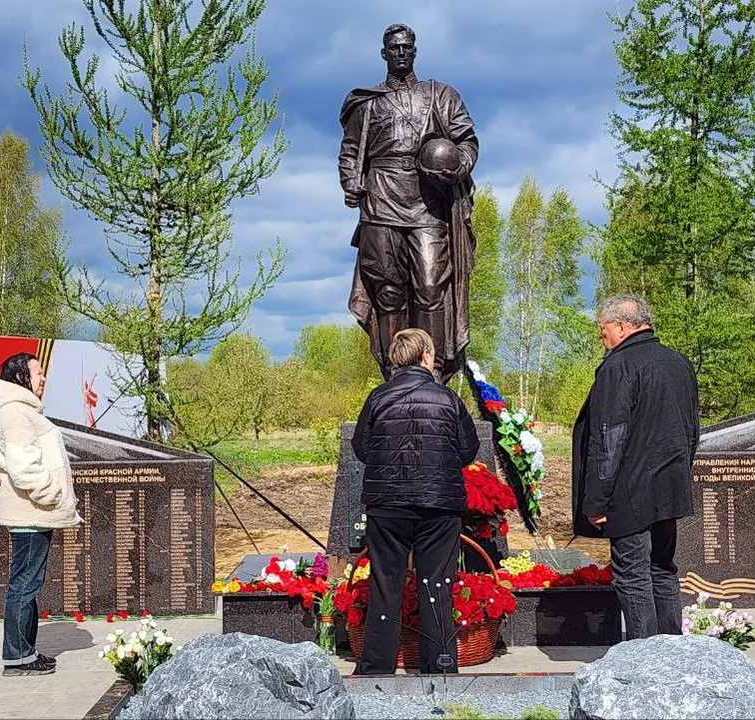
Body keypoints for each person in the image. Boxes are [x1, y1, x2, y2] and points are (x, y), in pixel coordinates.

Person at [339, 23, 479, 384]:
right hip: (381, 199)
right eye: (394, 48)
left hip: (428, 203)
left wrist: (459, 166)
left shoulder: (441, 96)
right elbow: (351, 150)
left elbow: (467, 140)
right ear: (384, 53)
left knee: (432, 285)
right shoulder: (367, 102)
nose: (401, 53)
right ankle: (396, 373)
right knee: (388, 292)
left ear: (414, 52)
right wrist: (349, 183)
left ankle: (432, 373)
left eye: (407, 48)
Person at [352, 328, 480, 674]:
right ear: (426, 356)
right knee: (436, 583)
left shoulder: (378, 397)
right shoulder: (448, 399)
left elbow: (362, 448)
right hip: (438, 504)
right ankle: (438, 665)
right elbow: (468, 449)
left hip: (387, 504)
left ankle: (376, 667)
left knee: (386, 582)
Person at [572, 295, 700, 641]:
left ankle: (643, 660)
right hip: (669, 486)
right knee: (662, 568)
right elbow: (692, 431)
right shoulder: (678, 363)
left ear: (622, 326)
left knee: (632, 573)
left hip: (628, 490)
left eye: (603, 332)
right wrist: (679, 474)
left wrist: (596, 501)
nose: (603, 339)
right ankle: (671, 652)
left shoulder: (618, 366)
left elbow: (608, 438)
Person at [0, 352, 82, 676]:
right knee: (24, 584)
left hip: (34, 511)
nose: (43, 378)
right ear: (20, 377)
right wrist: (52, 493)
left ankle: (25, 652)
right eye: (37, 372)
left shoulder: (21, 411)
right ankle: (17, 657)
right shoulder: (14, 414)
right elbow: (25, 469)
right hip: (30, 511)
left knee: (28, 583)